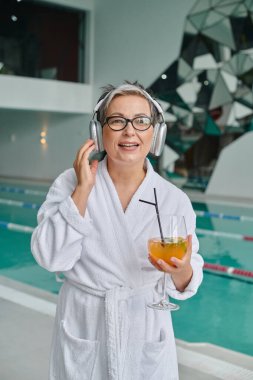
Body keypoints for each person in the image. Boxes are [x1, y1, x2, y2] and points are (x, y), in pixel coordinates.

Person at [31, 81, 204, 380]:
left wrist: (182, 269)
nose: (129, 131)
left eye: (141, 121)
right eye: (117, 121)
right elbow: (50, 258)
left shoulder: (174, 199)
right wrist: (83, 191)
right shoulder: (69, 184)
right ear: (99, 132)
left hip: (146, 326)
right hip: (86, 324)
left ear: (155, 133)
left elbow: (187, 281)